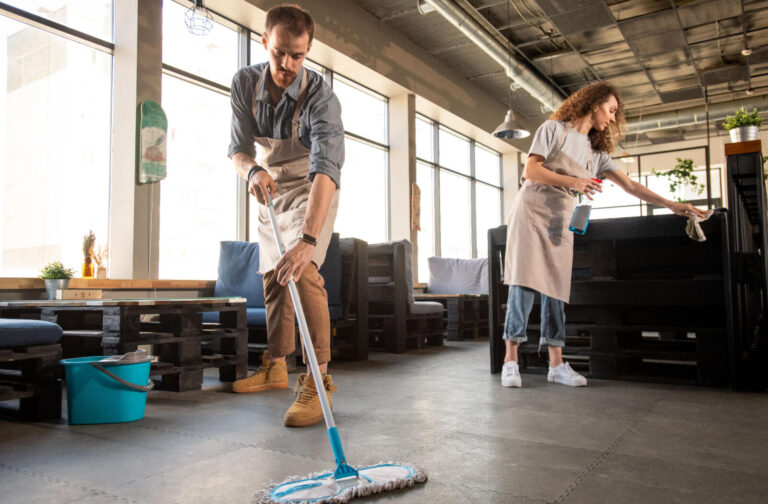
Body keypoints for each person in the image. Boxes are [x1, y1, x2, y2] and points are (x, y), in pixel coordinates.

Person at [501, 82, 708, 388]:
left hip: (560, 218)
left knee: (556, 287)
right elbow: (531, 170)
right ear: (594, 102)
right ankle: (510, 361)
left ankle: (556, 364)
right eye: (611, 110)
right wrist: (575, 181)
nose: (612, 118)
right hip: (531, 210)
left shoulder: (596, 153)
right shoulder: (553, 129)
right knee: (524, 281)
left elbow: (633, 187)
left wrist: (673, 205)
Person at [228, 4, 344, 427]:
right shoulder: (244, 83)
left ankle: (319, 380)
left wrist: (308, 242)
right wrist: (252, 169)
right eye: (279, 53)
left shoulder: (322, 98)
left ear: (309, 49)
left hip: (313, 189)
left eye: (297, 55)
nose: (287, 64)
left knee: (303, 269)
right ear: (265, 42)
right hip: (270, 185)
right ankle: (276, 366)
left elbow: (326, 171)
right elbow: (237, 149)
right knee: (272, 275)